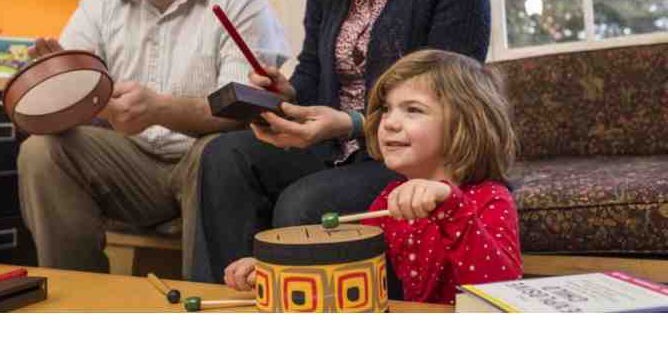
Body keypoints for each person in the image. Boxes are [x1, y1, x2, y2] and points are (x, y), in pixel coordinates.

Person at [191, 0, 492, 286]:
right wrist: (286, 93)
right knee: (223, 156)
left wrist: (351, 123)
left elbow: (453, 101)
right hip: (337, 148)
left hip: (412, 155)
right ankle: (227, 302)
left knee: (304, 206)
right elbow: (312, 75)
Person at [17, 0, 290, 278]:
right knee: (41, 152)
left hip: (206, 162)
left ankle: (207, 300)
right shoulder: (97, 7)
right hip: (131, 165)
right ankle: (76, 296)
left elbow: (240, 111)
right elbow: (75, 103)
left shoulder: (240, 1)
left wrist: (159, 109)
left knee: (215, 152)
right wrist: (59, 89)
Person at [223, 49, 522, 302]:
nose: (388, 123)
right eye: (387, 109)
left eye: (413, 110)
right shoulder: (387, 201)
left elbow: (503, 293)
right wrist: (274, 271)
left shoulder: (490, 199)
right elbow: (343, 271)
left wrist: (451, 206)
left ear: (466, 124)